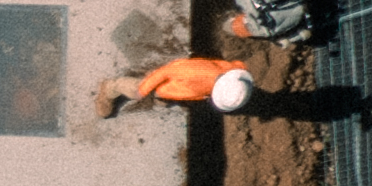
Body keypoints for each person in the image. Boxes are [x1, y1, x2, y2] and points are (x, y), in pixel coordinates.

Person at [99, 56, 255, 117]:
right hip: (164, 84)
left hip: (181, 90)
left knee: (162, 101)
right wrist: (144, 89)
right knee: (135, 89)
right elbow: (167, 71)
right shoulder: (195, 73)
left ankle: (159, 96)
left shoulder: (231, 73)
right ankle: (110, 88)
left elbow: (237, 66)